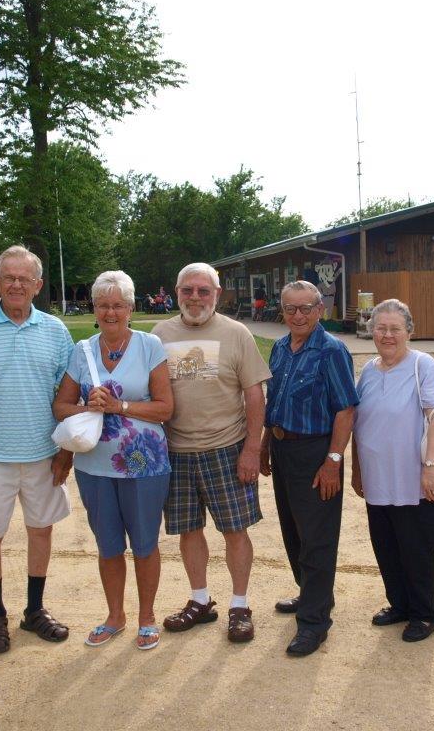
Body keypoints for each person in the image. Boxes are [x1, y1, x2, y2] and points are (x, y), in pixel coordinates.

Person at [0, 245, 75, 654]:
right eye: (9, 278)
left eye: (25, 278)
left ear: (38, 285)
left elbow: (68, 395)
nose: (17, 285)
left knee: (41, 530)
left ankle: (34, 610)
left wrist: (65, 451)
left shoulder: (55, 331)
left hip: (43, 453)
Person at [53, 271, 174, 651]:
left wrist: (119, 406)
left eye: (118, 305)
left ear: (131, 308)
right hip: (94, 466)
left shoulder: (149, 345)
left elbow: (165, 408)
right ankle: (115, 616)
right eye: (103, 305)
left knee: (144, 543)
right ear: (94, 308)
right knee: (107, 545)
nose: (110, 312)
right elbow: (60, 407)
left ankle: (147, 618)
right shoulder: (83, 350)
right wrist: (87, 407)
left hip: (145, 465)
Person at [153, 263, 272, 643]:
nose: (195, 297)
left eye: (203, 291)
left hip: (226, 449)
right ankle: (200, 600)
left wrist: (252, 448)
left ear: (217, 294)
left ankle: (240, 605)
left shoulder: (236, 333)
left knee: (234, 530)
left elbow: (254, 394)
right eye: (187, 290)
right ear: (176, 292)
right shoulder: (159, 335)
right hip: (176, 452)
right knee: (189, 530)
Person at [260, 280, 359, 656]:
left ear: (320, 310)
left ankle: (314, 623)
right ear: (282, 311)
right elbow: (274, 401)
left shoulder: (331, 350)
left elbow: (345, 409)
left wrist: (333, 461)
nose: (297, 315)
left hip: (316, 452)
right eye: (290, 308)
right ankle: (312, 594)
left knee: (317, 537)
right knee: (293, 531)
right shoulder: (280, 348)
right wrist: (266, 444)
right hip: (283, 448)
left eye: (305, 308)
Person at [350, 299, 434, 643]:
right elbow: (359, 424)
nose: (387, 335)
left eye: (395, 328)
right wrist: (357, 470)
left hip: (415, 479)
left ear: (409, 331)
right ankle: (400, 604)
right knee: (386, 546)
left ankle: (425, 613)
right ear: (371, 331)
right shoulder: (368, 370)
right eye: (380, 328)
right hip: (378, 478)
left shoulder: (423, 364)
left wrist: (431, 467)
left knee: (417, 548)